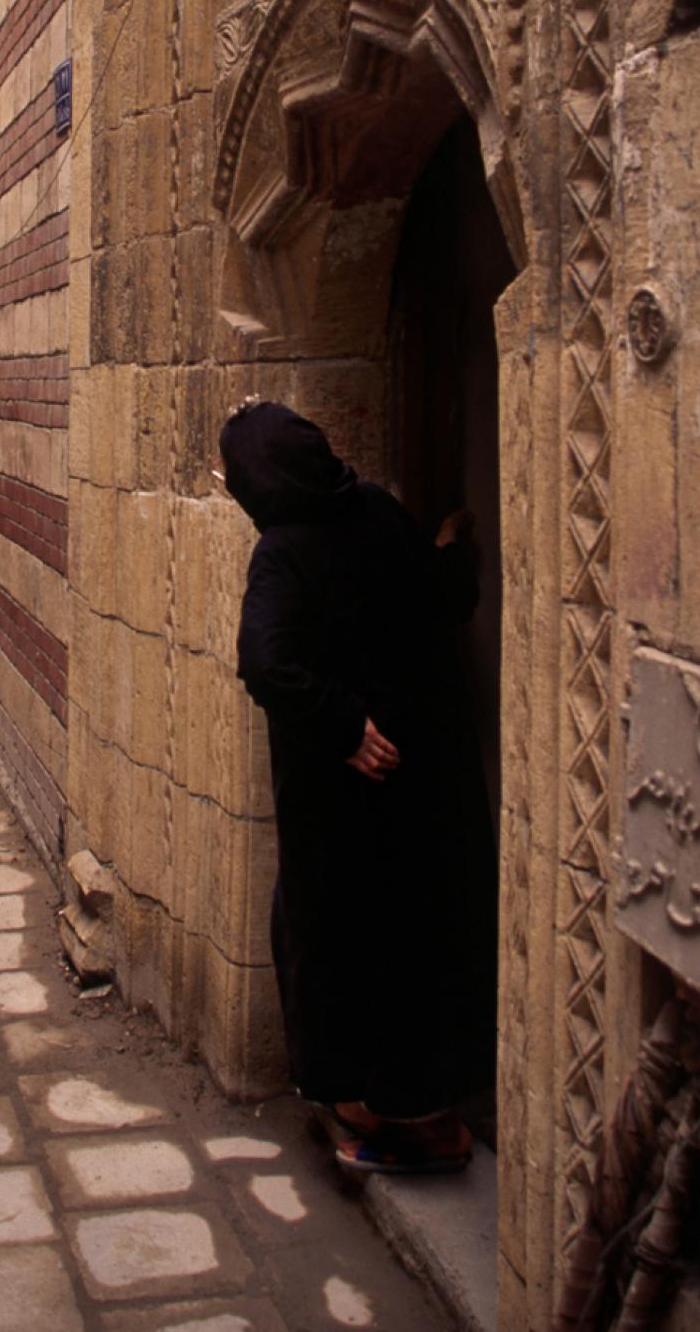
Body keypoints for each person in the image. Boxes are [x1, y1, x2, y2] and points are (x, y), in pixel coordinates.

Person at [219, 397, 495, 1177]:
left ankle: (371, 1117)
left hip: (340, 799)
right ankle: (420, 1110)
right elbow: (443, 598)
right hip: (418, 783)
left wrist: (342, 728)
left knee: (333, 943)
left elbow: (265, 660)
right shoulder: (373, 508)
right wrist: (452, 547)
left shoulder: (281, 550)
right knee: (409, 944)